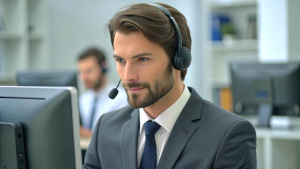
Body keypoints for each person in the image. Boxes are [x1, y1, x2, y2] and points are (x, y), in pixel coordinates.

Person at [83, 3, 256, 169]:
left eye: (142, 59)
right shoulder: (106, 128)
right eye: (121, 60)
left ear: (179, 59)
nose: (128, 76)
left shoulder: (228, 134)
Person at [77, 47, 128, 137]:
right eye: (81, 72)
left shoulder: (122, 98)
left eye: (89, 71)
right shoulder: (83, 99)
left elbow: (119, 135)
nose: (84, 77)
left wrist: (89, 135)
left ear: (103, 67)